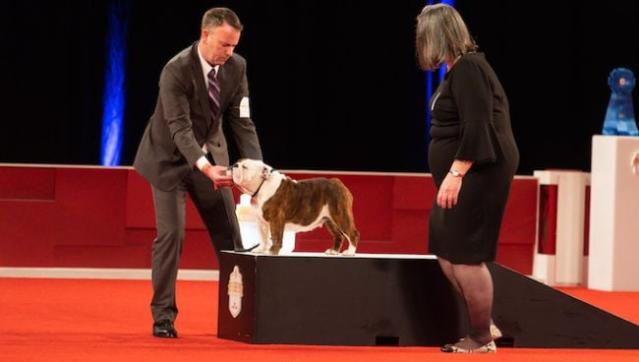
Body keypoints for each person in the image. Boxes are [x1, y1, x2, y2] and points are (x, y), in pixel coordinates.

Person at [133, 7, 262, 338]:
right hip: (168, 161)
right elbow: (179, 129)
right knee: (172, 236)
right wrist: (205, 166)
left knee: (230, 238)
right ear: (206, 35)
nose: (229, 53)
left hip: (211, 157)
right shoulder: (175, 71)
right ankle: (163, 316)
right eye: (224, 45)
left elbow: (241, 121)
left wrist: (260, 174)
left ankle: (249, 312)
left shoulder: (237, 67)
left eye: (234, 46)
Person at [416, 4, 519, 353]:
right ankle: (483, 322)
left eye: (423, 37)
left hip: (479, 170)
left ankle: (479, 336)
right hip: (467, 170)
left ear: (437, 36)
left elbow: (478, 126)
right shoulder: (456, 71)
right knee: (445, 247)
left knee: (464, 253)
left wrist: (456, 173)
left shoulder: (470, 68)